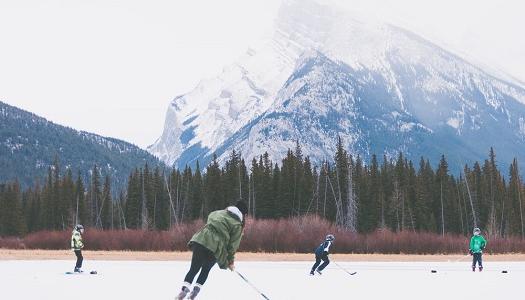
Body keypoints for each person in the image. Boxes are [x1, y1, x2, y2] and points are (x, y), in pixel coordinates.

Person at [176, 201, 248, 300]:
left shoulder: (218, 213)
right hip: (216, 247)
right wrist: (230, 262)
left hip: (202, 239)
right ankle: (195, 292)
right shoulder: (237, 225)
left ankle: (184, 290)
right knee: (205, 270)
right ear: (243, 214)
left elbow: (210, 217)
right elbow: (232, 246)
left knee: (194, 268)